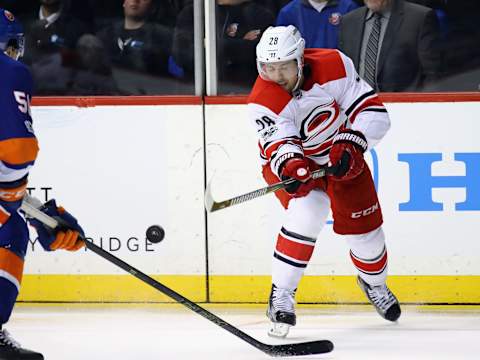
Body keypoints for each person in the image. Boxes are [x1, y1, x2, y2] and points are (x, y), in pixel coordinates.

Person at [247, 25, 400, 338]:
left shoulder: (334, 65)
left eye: (284, 67)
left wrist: (353, 142)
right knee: (307, 213)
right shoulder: (262, 100)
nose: (276, 76)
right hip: (298, 165)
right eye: (268, 68)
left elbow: (374, 112)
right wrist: (291, 165)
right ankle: (282, 295)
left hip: (342, 160)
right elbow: (280, 142)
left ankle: (374, 283)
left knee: (367, 236)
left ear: (301, 60)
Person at [0, 9, 85, 359]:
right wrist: (15, 207)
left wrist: (36, 212)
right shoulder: (9, 70)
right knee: (10, 230)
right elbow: (16, 149)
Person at [171, 0, 274, 92]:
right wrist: (238, 43)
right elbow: (182, 55)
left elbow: (258, 55)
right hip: (196, 96)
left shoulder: (261, 15)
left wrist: (208, 44)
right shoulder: (193, 13)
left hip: (245, 93)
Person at [338, 0, 442, 92]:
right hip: (360, 108)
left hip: (405, 108)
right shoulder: (349, 21)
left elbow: (433, 74)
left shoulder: (419, 18)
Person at [97, 0, 173, 79]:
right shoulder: (107, 34)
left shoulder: (163, 37)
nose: (135, 1)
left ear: (153, 7)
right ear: (124, 3)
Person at [276, 0, 360, 49]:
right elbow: (282, 49)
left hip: (340, 68)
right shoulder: (288, 12)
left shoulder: (349, 7)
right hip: (304, 71)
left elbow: (356, 46)